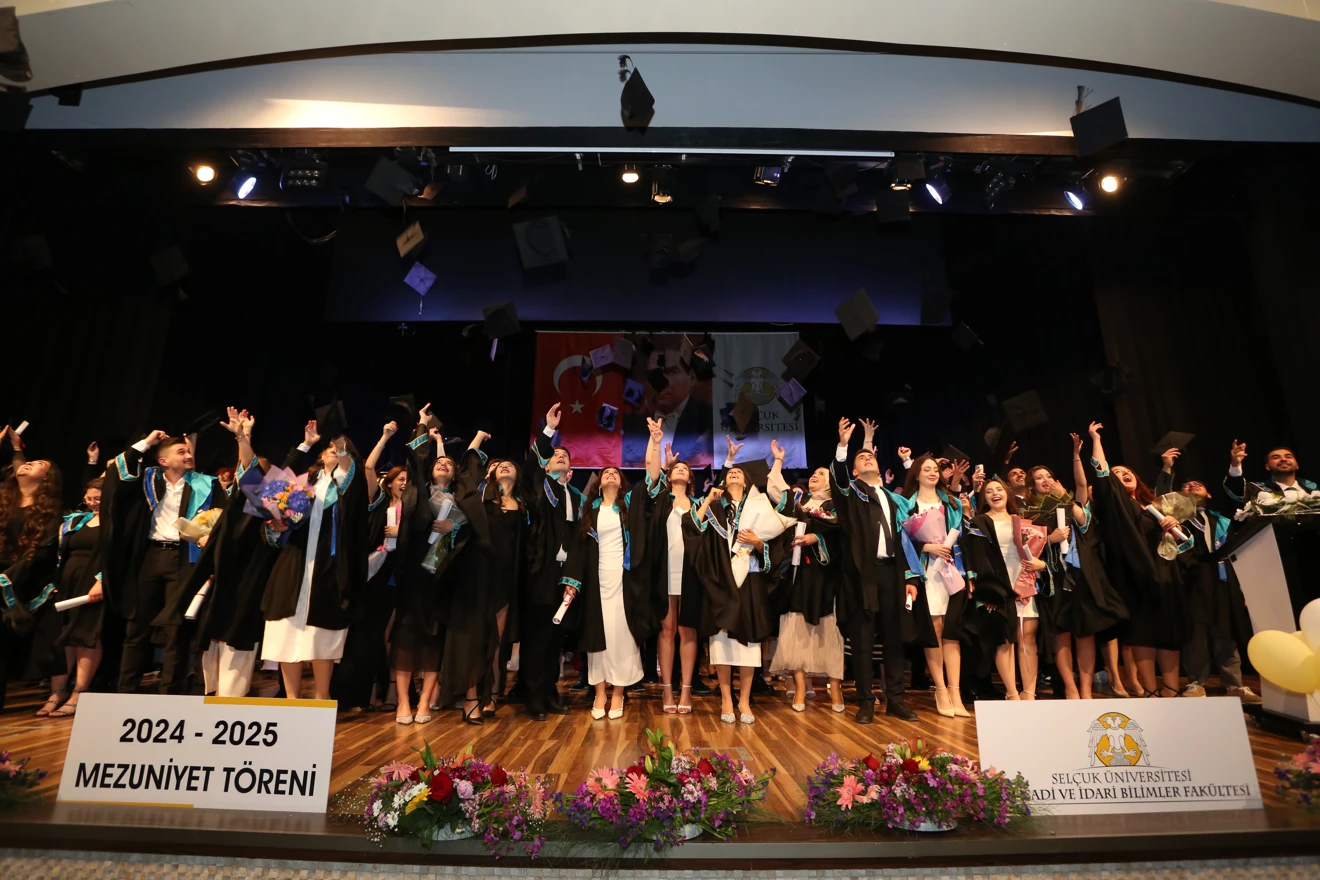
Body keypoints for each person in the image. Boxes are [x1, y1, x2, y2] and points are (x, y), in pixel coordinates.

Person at [102, 429, 225, 695]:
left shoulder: (207, 484)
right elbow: (117, 471)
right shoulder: (147, 480)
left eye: (189, 451)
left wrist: (208, 538)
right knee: (137, 628)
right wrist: (147, 442)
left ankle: (170, 693)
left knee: (176, 629)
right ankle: (125, 691)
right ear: (163, 460)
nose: (188, 455)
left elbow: (222, 520)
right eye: (181, 452)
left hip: (185, 558)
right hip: (149, 556)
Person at [260, 421, 367, 701]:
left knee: (322, 633)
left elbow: (350, 472)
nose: (333, 450)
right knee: (286, 632)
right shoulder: (305, 482)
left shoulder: (345, 485)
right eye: (329, 447)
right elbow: (276, 486)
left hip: (327, 566)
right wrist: (277, 525)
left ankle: (321, 697)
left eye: (339, 448)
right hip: (294, 563)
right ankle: (292, 700)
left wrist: (340, 443)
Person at [175, 408, 273, 698]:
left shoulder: (267, 504)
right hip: (223, 574)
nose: (241, 473)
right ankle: (213, 693)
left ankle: (231, 698)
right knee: (213, 636)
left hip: (249, 575)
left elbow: (251, 473)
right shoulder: (232, 500)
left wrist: (243, 437)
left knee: (236, 637)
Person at [830, 418, 923, 723]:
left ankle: (895, 699)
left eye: (870, 455)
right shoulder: (852, 493)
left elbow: (905, 540)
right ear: (855, 471)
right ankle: (866, 701)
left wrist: (910, 576)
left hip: (892, 573)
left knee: (895, 638)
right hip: (864, 575)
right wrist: (844, 446)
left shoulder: (893, 499)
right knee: (863, 640)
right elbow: (838, 480)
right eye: (861, 458)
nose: (867, 457)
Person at [560, 448, 661, 721]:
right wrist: (572, 581)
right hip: (597, 583)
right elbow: (578, 549)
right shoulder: (590, 510)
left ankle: (618, 693)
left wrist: (654, 442)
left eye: (615, 472)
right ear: (599, 482)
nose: (611, 474)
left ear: (621, 481)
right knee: (598, 638)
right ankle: (600, 693)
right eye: (606, 473)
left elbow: (652, 476)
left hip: (624, 582)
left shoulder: (629, 505)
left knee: (621, 638)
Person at [1087, 421, 1186, 698]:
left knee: (1169, 630)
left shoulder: (1153, 506)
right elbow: (1102, 472)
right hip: (1136, 574)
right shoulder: (1115, 504)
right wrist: (1096, 439)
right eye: (1117, 473)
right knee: (1143, 632)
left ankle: (1171, 690)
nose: (1123, 474)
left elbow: (1178, 537)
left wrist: (1171, 523)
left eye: (1127, 471)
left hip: (1165, 571)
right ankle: (1151, 691)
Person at [436, 432, 527, 725]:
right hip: (478, 573)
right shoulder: (481, 499)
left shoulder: (523, 505)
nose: (504, 466)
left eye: (510, 465)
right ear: (490, 474)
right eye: (499, 465)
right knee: (474, 639)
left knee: (495, 643)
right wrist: (476, 439)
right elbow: (466, 477)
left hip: (505, 578)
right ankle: (471, 698)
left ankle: (490, 694)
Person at [698, 435, 790, 725]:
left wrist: (758, 543)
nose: (735, 474)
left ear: (748, 483)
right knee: (722, 643)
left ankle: (745, 700)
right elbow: (697, 533)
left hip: (749, 579)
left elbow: (775, 547)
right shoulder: (716, 509)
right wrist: (729, 459)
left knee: (749, 646)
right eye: (731, 472)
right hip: (722, 580)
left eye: (740, 472)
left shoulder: (760, 507)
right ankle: (726, 697)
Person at [1156, 449, 1259, 703]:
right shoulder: (1175, 519)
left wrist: (1235, 464)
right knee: (1196, 633)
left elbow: (1236, 496)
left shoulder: (1222, 519)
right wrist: (1167, 468)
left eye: (1198, 485)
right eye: (1186, 486)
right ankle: (1196, 682)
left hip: (1223, 578)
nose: (1192, 487)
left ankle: (1234, 684)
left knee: (1226, 632)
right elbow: (1161, 500)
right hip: (1192, 579)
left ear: (1209, 494)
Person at [335, 418, 414, 714]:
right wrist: (384, 437)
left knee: (384, 638)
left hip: (399, 579)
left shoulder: (415, 511)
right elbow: (368, 468)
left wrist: (402, 533)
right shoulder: (379, 501)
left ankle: (378, 693)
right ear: (389, 483)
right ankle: (354, 694)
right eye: (399, 479)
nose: (404, 483)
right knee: (363, 635)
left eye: (408, 479)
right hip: (372, 576)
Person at [388, 408, 459, 723]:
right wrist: (422, 425)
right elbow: (416, 457)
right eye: (439, 463)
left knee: (434, 640)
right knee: (405, 637)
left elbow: (470, 535)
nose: (443, 465)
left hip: (442, 576)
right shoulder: (418, 490)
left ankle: (425, 703)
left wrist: (453, 527)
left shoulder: (460, 500)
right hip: (414, 572)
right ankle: (403, 702)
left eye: (449, 465)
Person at [766, 440, 845, 714]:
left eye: (821, 474)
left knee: (829, 630)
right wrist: (778, 460)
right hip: (799, 574)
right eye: (813, 473)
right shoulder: (798, 503)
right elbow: (775, 488)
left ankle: (835, 688)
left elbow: (842, 539)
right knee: (796, 628)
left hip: (826, 576)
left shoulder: (837, 508)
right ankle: (799, 686)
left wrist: (816, 537)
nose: (815, 475)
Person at [521, 403, 586, 721]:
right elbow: (531, 468)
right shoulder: (539, 488)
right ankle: (533, 697)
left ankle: (549, 693)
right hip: (542, 571)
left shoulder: (576, 497)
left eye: (565, 456)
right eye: (555, 455)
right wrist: (548, 430)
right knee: (537, 637)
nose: (560, 457)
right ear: (546, 465)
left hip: (566, 576)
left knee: (555, 639)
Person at [645, 424, 710, 716]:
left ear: (691, 478)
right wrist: (657, 445)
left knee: (687, 630)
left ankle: (686, 689)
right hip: (665, 571)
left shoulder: (699, 504)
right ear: (669, 475)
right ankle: (667, 689)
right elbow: (651, 474)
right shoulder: (661, 499)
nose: (681, 470)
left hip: (691, 572)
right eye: (677, 468)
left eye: (686, 468)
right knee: (667, 629)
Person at [901, 454, 971, 716]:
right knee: (935, 629)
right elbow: (902, 539)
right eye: (926, 469)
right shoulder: (907, 505)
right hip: (925, 571)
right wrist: (926, 547)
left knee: (952, 631)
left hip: (952, 570)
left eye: (935, 469)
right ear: (916, 474)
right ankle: (940, 689)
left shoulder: (951, 503)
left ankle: (955, 691)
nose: (932, 473)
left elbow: (963, 537)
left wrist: (968, 573)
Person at [0, 427, 63, 713]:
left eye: (38, 464)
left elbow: (37, 554)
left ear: (46, 478)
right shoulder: (5, 498)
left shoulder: (50, 511)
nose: (28, 464)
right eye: (28, 461)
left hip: (20, 581)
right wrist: (14, 447)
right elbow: (18, 463)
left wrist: (6, 578)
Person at [960, 477, 1034, 700]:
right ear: (984, 498)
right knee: (1003, 639)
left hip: (1024, 580)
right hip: (999, 585)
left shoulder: (1022, 520)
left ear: (1007, 493)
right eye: (989, 491)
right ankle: (1012, 693)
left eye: (999, 489)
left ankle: (1028, 692)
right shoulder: (979, 522)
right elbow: (978, 557)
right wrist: (989, 591)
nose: (995, 493)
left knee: (1025, 638)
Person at [48, 475, 106, 716]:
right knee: (63, 637)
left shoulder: (116, 522)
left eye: (98, 499)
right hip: (68, 584)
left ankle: (79, 692)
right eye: (89, 498)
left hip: (93, 585)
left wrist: (101, 581)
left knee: (86, 636)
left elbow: (117, 556)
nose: (93, 503)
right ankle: (57, 691)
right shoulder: (77, 521)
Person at [621, 340, 714, 469]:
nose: (660, 382)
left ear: (691, 378)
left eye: (670, 372)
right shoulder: (633, 425)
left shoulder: (708, 420)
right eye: (652, 375)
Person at [1223, 441, 1315, 504]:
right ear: (1267, 466)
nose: (1283, 459)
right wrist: (1236, 464)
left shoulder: (1313, 490)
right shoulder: (1257, 490)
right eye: (1276, 457)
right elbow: (1236, 490)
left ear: (1297, 465)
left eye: (1288, 456)